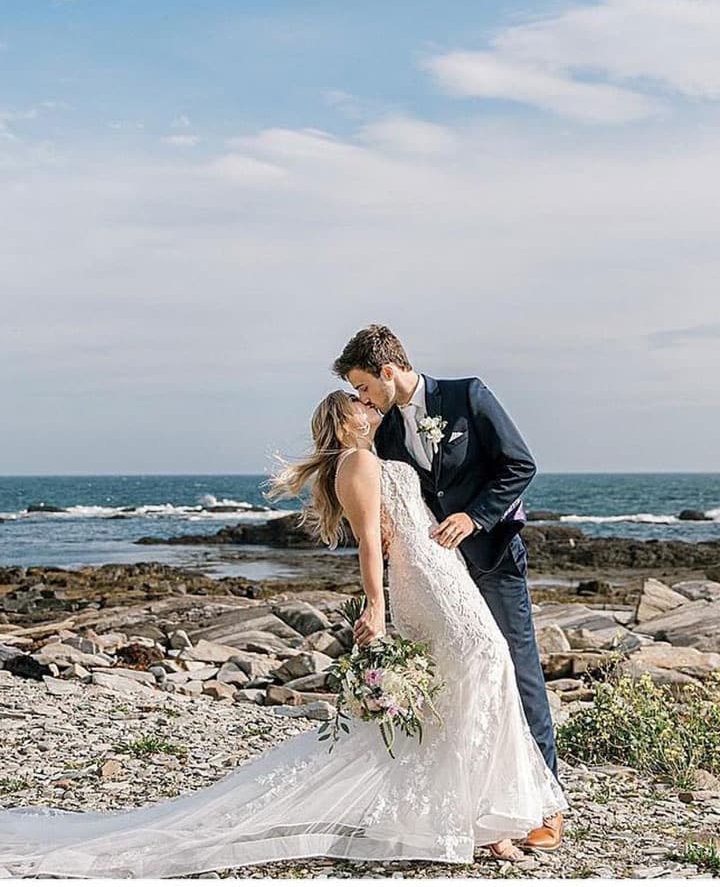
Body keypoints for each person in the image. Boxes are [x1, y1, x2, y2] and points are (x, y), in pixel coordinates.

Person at [0, 390, 567, 878]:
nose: (368, 405)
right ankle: (489, 820)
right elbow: (371, 542)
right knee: (484, 661)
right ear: (346, 421)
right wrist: (375, 605)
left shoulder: (364, 459)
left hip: (441, 569)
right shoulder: (358, 465)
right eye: (358, 403)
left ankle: (484, 818)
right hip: (425, 575)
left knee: (467, 680)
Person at [333, 323, 564, 853]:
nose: (363, 397)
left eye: (365, 386)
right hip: (434, 576)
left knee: (517, 671)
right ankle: (474, 803)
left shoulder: (468, 396)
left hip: (491, 556)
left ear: (389, 371)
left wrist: (474, 517)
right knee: (455, 680)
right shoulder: (385, 432)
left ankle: (545, 806)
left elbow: (520, 465)